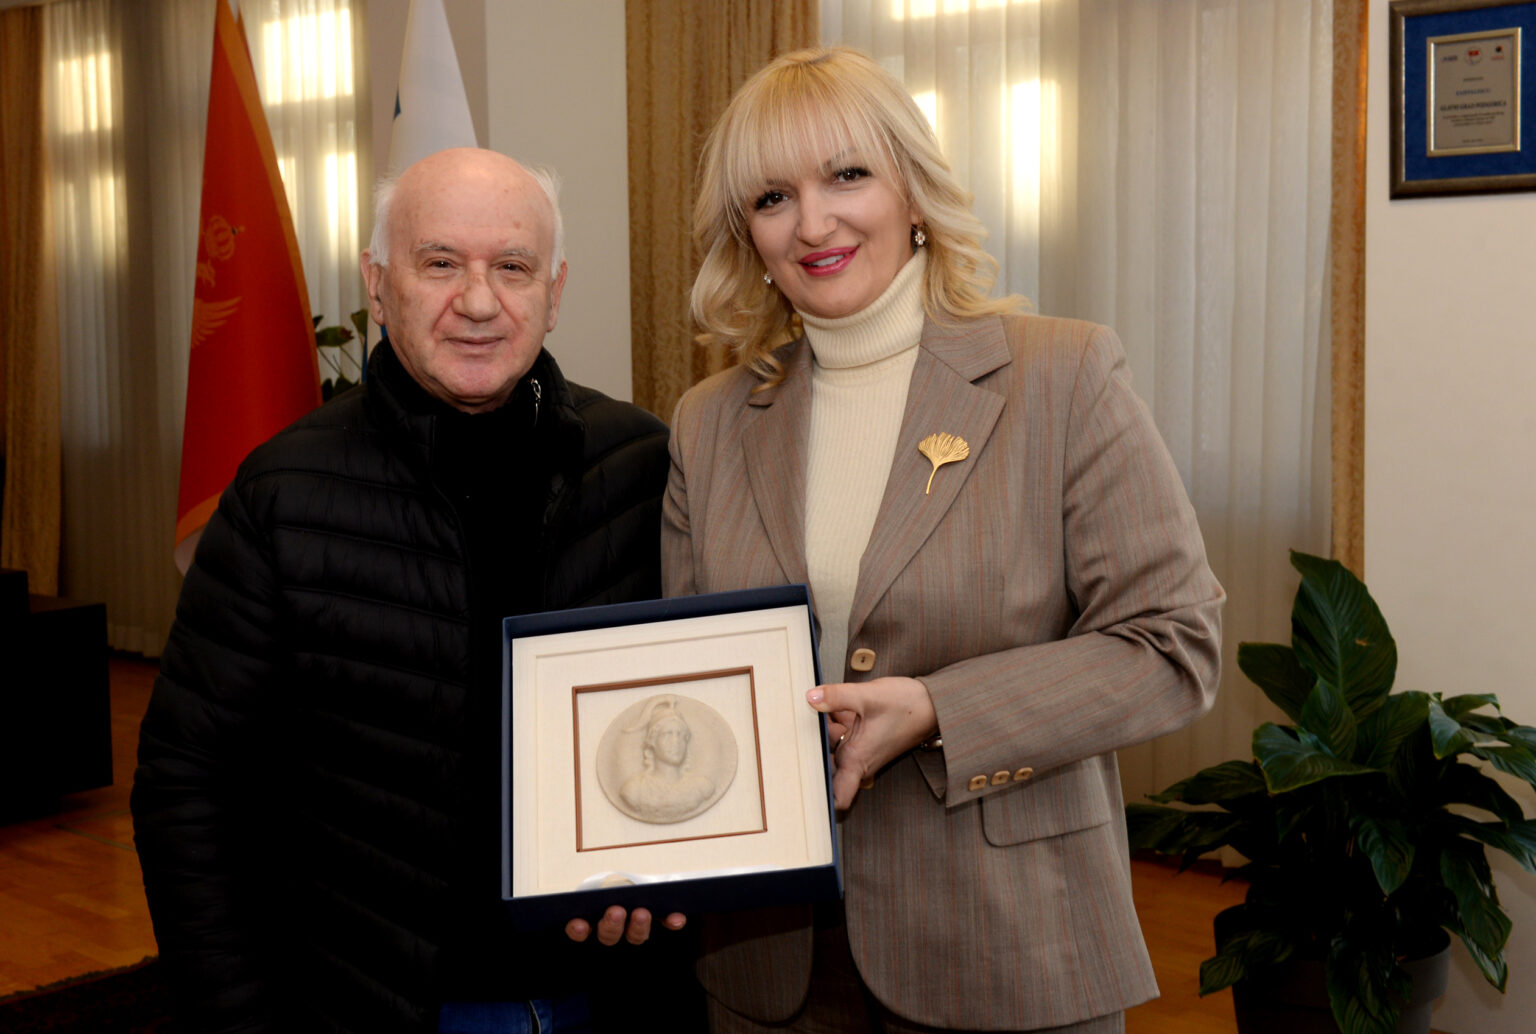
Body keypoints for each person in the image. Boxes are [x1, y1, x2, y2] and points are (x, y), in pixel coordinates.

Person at [663, 48, 1225, 1033]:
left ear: (914, 190)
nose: (814, 223)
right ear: (747, 234)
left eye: (847, 175)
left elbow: (1172, 646)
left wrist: (937, 709)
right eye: (772, 197)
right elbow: (688, 678)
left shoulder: (1062, 376)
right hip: (771, 961)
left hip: (1010, 945)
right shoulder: (708, 421)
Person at [133, 148, 687, 1034]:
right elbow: (187, 787)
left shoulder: (642, 465)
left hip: (612, 996)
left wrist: (672, 871)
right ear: (378, 284)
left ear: (554, 292)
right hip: (371, 1006)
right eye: (439, 264)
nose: (478, 301)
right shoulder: (284, 495)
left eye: (513, 267)